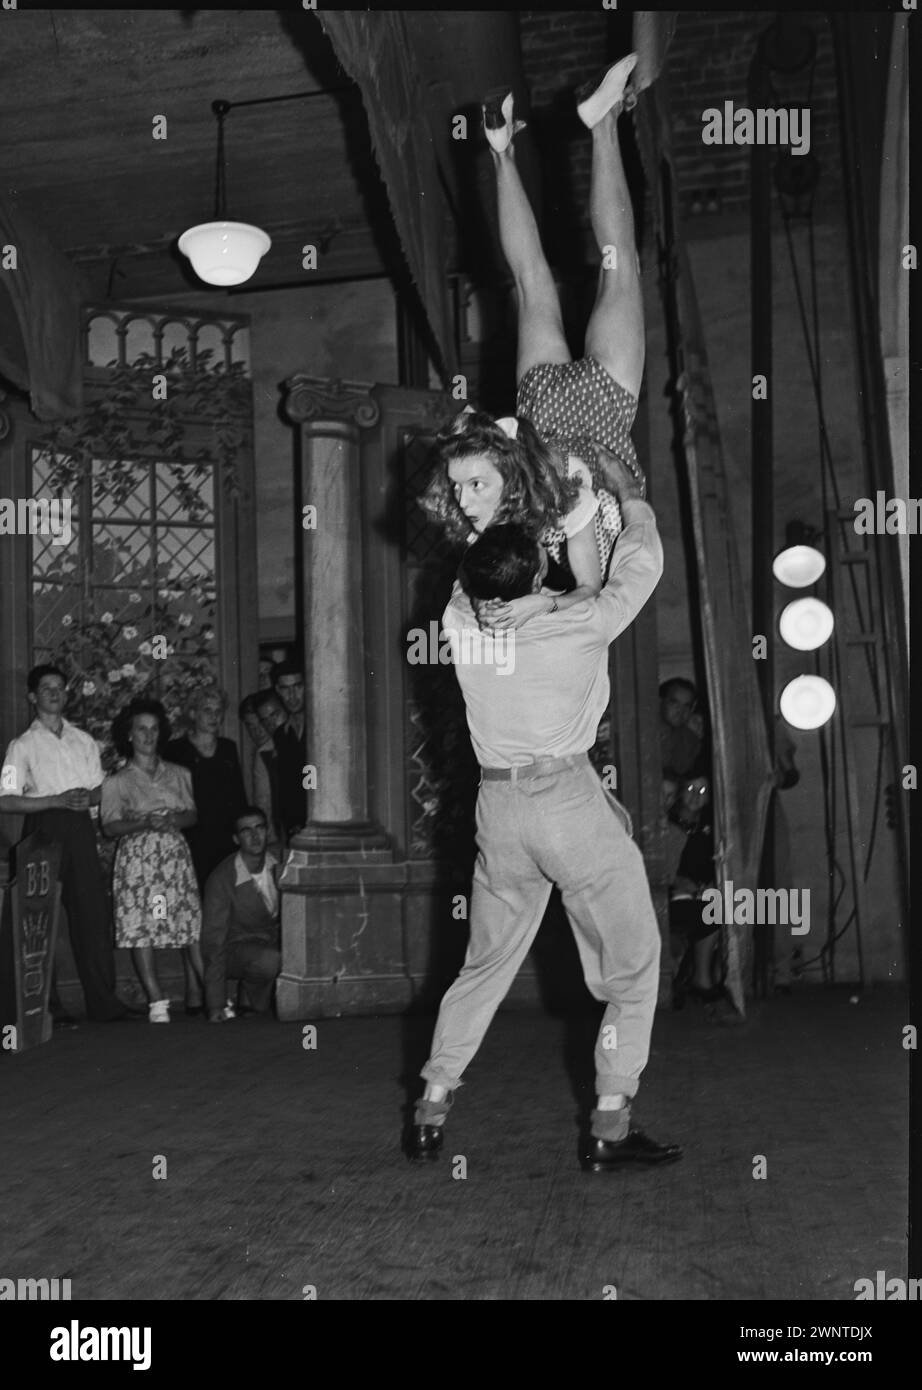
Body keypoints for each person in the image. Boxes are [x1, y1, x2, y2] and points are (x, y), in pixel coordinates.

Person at [409, 455, 682, 1171]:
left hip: (498, 812)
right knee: (631, 971)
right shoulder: (579, 623)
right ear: (535, 580)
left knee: (483, 966)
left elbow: (477, 572)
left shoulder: (461, 626)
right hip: (566, 805)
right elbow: (639, 565)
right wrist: (627, 494)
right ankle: (610, 1126)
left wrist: (523, 574)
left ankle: (433, 1103)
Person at [483, 54, 646, 588]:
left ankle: (602, 124)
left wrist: (625, 497)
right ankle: (501, 150)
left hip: (602, 411)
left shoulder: (591, 591)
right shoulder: (533, 545)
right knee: (530, 279)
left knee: (616, 259)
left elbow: (598, 582)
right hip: (544, 413)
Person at [0, 665, 141, 1023]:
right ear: (33, 697)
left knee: (91, 915)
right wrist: (54, 802)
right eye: (46, 688)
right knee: (36, 919)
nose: (54, 693)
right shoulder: (22, 746)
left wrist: (88, 798)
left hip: (79, 828)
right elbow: (6, 799)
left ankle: (103, 1003)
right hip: (43, 828)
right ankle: (44, 1006)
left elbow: (99, 789)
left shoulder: (84, 741)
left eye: (60, 688)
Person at [100, 698, 202, 1023]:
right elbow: (110, 826)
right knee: (141, 926)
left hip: (173, 857)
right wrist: (144, 823)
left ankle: (211, 992)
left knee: (188, 921)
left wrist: (174, 820)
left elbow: (193, 815)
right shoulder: (116, 781)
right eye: (141, 729)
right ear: (129, 735)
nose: (148, 735)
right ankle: (156, 1000)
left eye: (154, 729)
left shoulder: (180, 773)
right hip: (138, 861)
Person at [201, 807, 281, 1024]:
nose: (255, 836)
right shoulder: (222, 878)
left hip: (272, 941)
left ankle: (252, 995)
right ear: (236, 839)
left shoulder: (282, 862)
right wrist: (215, 1003)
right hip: (235, 948)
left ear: (268, 831)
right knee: (270, 960)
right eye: (246, 831)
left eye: (259, 828)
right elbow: (213, 942)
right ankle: (247, 992)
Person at [165, 684, 247, 893]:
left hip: (225, 837)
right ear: (193, 713)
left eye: (218, 711)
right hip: (191, 837)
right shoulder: (176, 750)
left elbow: (239, 797)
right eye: (207, 710)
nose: (214, 716)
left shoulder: (228, 748)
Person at [270, 662, 307, 840]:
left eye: (297, 686)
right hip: (294, 830)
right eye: (285, 688)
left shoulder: (321, 728)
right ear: (277, 690)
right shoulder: (281, 735)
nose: (292, 696)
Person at [659, 677, 702, 780]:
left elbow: (681, 769)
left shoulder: (689, 733)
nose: (681, 711)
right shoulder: (647, 728)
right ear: (661, 701)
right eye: (675, 703)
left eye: (686, 706)